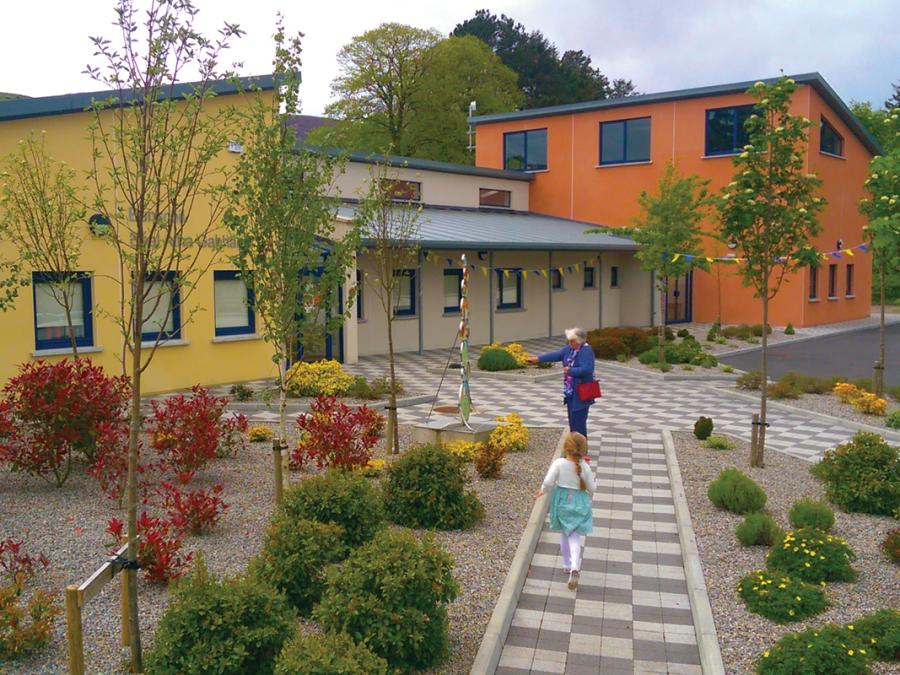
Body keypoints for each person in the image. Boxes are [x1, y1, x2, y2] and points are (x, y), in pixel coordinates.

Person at [537, 431, 595, 590]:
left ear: (566, 447)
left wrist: (543, 490)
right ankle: (575, 565)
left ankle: (568, 564)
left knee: (565, 533)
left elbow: (548, 481)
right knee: (574, 535)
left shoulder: (559, 463)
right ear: (583, 450)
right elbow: (592, 488)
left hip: (562, 501)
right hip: (580, 502)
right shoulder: (585, 467)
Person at [527, 327, 596, 450]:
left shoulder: (586, 351)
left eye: (572, 341)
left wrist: (570, 370)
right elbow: (557, 354)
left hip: (582, 392)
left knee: (579, 421)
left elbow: (587, 369)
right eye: (569, 340)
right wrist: (538, 359)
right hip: (571, 392)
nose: (569, 343)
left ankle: (581, 449)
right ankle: (574, 446)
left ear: (579, 341)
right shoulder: (570, 349)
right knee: (572, 419)